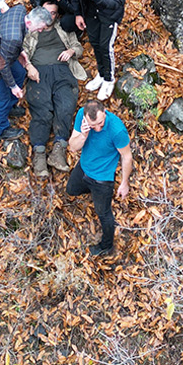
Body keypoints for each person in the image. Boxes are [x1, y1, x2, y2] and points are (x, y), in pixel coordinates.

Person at [22, 2, 85, 177]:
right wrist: (28, 67)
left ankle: (59, 150)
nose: (49, 16)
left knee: (65, 105)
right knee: (41, 109)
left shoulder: (64, 28)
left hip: (62, 70)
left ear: (57, 15)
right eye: (47, 12)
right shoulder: (32, 29)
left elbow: (78, 47)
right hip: (39, 71)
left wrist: (72, 51)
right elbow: (22, 51)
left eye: (53, 13)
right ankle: (40, 154)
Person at [0, 5, 53, 141]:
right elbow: (2, 66)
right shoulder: (13, 38)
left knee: (20, 72)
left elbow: (11, 42)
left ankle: (10, 107)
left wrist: (20, 51)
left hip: (2, 50)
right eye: (39, 28)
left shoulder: (21, 10)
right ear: (29, 22)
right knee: (2, 99)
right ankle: (2, 128)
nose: (40, 31)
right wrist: (13, 87)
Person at [66, 99, 132, 257]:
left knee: (103, 214)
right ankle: (92, 193)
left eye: (100, 124)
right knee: (71, 190)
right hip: (84, 167)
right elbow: (73, 147)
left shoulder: (117, 130)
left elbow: (127, 157)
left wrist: (124, 183)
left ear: (105, 112)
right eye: (93, 125)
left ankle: (107, 245)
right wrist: (84, 134)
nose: (97, 128)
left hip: (103, 179)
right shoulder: (82, 116)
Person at [65, 0, 125, 102]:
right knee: (95, 43)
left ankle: (109, 79)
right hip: (90, 12)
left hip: (108, 14)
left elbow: (115, 3)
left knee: (105, 46)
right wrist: (78, 14)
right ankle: (102, 73)